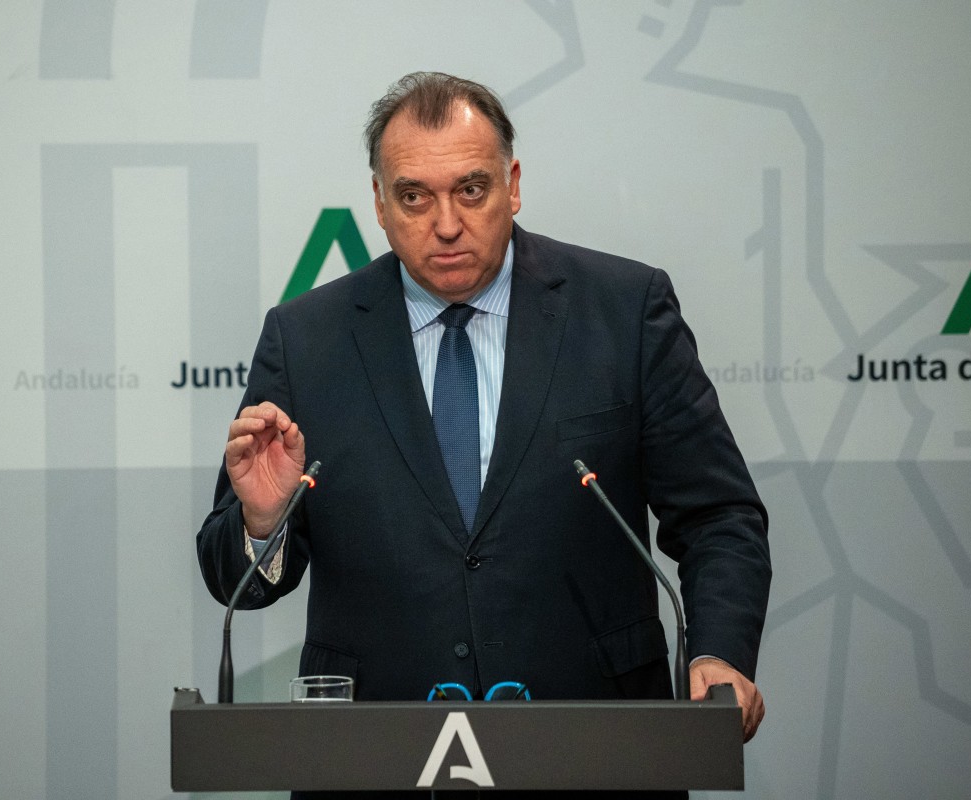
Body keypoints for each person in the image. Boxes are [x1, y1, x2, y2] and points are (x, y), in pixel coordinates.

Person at [197, 71, 771, 797]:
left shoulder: (624, 312)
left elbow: (718, 515)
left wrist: (719, 652)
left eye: (471, 189)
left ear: (513, 185)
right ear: (379, 202)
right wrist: (262, 522)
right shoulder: (307, 340)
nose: (446, 223)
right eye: (414, 196)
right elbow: (234, 581)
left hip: (596, 750)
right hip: (374, 760)